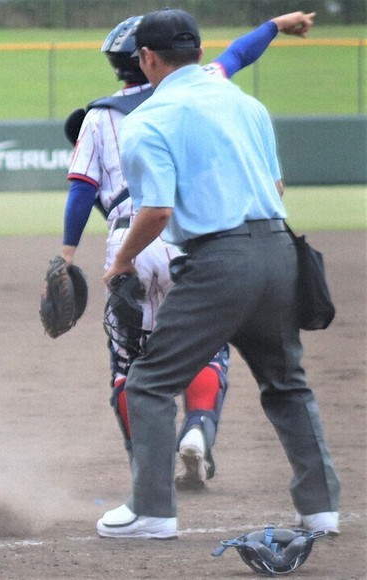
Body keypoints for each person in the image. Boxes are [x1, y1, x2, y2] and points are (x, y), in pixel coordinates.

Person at [95, 8, 340, 539]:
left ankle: (153, 512)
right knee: (287, 384)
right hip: (280, 251)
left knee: (151, 383)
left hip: (219, 262)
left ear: (147, 59)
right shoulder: (247, 105)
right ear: (201, 52)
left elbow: (156, 212)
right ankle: (321, 510)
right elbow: (276, 189)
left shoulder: (147, 121)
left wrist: (120, 261)